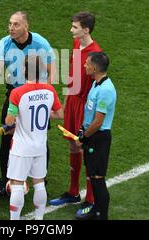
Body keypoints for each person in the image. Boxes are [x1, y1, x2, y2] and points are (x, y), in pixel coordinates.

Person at [0, 11, 56, 199]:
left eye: (16, 24)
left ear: (26, 26)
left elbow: (52, 70)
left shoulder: (40, 43)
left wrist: (46, 94)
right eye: (10, 23)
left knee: (40, 139)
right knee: (7, 138)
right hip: (15, 95)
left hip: (36, 95)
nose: (11, 27)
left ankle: (40, 180)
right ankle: (5, 181)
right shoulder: (4, 43)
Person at [49, 12, 102, 219]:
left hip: (85, 105)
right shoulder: (75, 44)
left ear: (86, 30)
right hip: (72, 100)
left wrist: (88, 111)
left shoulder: (95, 53)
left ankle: (90, 199)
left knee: (85, 147)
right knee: (72, 144)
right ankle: (72, 192)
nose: (71, 30)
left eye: (75, 27)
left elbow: (96, 84)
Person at [6, 55, 63, 220]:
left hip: (21, 148)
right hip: (40, 146)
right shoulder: (49, 90)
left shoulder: (17, 93)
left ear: (24, 70)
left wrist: (17, 118)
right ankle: (39, 220)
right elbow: (60, 114)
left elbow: (9, 121)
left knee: (16, 184)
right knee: (39, 183)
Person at [75, 52, 116, 220]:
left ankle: (102, 215)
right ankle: (95, 210)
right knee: (92, 175)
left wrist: (83, 137)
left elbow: (99, 121)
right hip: (91, 135)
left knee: (98, 179)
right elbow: (90, 113)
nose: (84, 65)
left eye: (87, 63)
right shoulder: (96, 83)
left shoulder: (106, 90)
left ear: (95, 67)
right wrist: (81, 130)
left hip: (99, 138)